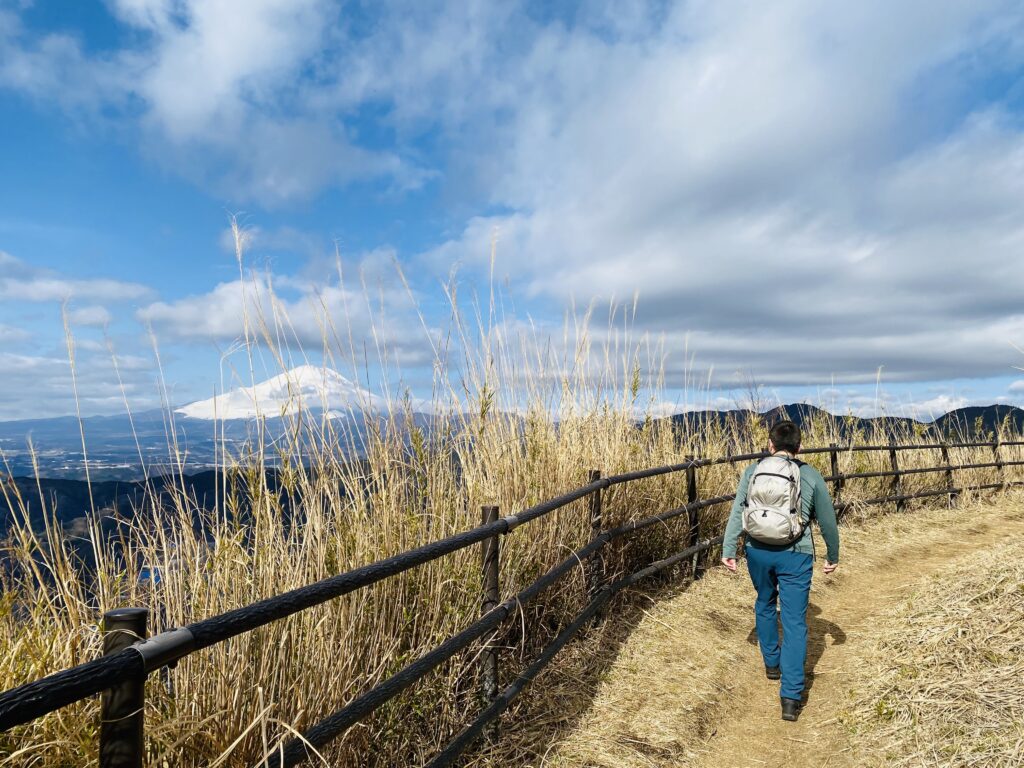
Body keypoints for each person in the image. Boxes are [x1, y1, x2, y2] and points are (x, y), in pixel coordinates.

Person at [720, 420, 840, 722]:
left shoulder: (753, 471)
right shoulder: (809, 474)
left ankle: (771, 664)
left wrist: (728, 549)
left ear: (770, 445)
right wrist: (833, 555)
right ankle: (790, 697)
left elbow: (739, 511)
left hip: (757, 551)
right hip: (796, 554)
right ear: (799, 448)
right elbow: (827, 520)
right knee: (795, 621)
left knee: (763, 601)